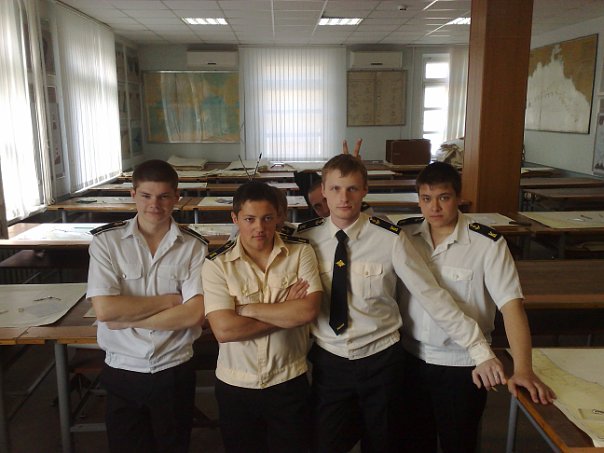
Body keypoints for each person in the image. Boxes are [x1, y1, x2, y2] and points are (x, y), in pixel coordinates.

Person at [296, 154, 505, 453]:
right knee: (325, 443)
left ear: (365, 190)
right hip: (330, 361)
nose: (344, 198)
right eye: (336, 189)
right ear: (323, 192)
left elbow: (431, 295)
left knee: (384, 443)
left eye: (352, 188)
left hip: (381, 360)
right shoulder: (305, 238)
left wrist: (479, 349)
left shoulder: (390, 239)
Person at [397, 161, 555, 453]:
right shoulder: (404, 236)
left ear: (458, 198)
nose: (434, 207)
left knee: (460, 442)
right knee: (414, 440)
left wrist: (523, 369)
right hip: (411, 358)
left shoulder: (487, 244)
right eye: (426, 198)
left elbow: (511, 307)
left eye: (444, 197)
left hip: (463, 364)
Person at [86, 159, 206, 453]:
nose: (155, 204)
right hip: (122, 366)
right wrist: (168, 301)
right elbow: (105, 311)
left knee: (173, 445)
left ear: (176, 197)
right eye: (146, 195)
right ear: (133, 195)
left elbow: (194, 314)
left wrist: (126, 318)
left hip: (174, 365)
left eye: (164, 196)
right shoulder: (107, 242)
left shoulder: (194, 246)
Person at [202, 181, 323, 453]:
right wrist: (284, 309)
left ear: (279, 217)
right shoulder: (216, 264)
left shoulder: (300, 252)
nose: (259, 227)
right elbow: (225, 331)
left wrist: (245, 309)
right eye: (249, 219)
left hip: (288, 379)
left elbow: (306, 311)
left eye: (267, 218)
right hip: (236, 384)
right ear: (235, 219)